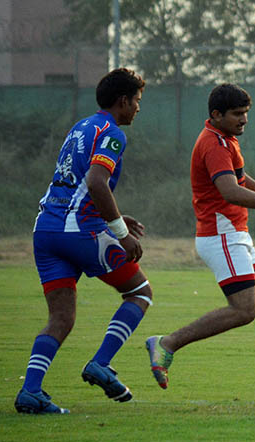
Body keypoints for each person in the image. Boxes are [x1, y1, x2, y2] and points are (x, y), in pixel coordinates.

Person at [145, 83, 255, 401]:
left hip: (236, 234)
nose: (244, 120)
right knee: (244, 310)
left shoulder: (225, 140)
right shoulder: (213, 144)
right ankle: (167, 343)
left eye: (246, 114)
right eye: (238, 114)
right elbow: (229, 191)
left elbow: (237, 176)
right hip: (221, 235)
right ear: (216, 114)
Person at [15, 68, 152, 414]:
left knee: (60, 317)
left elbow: (78, 184)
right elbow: (95, 182)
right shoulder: (113, 133)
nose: (138, 108)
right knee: (139, 292)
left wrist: (118, 217)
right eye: (136, 101)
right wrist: (120, 234)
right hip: (78, 230)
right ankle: (101, 364)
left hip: (46, 229)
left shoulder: (81, 127)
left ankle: (30, 391)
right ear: (122, 101)